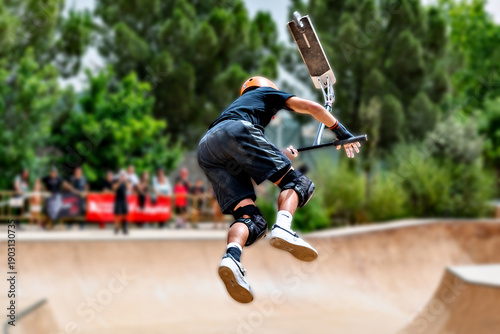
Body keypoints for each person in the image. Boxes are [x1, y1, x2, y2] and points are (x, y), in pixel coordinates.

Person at [197, 76, 361, 303]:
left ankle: (231, 258)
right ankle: (283, 227)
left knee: (249, 218)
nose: (273, 115)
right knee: (297, 183)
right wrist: (342, 132)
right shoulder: (265, 94)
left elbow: (252, 163)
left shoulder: (239, 109)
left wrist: (282, 154)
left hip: (207, 148)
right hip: (237, 133)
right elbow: (313, 108)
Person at [113, 170, 130, 235]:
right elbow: (114, 188)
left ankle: (124, 227)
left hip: (124, 200)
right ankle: (116, 228)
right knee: (117, 215)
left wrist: (125, 181)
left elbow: (129, 188)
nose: (122, 176)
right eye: (121, 175)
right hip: (118, 199)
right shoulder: (116, 181)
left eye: (123, 175)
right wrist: (120, 181)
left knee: (125, 214)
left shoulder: (126, 181)